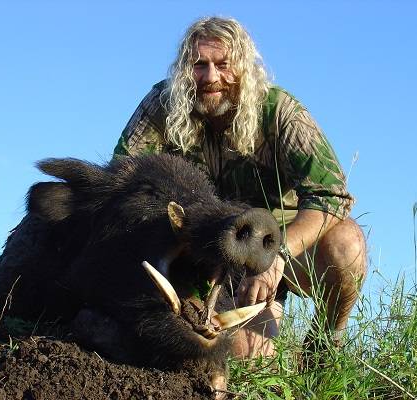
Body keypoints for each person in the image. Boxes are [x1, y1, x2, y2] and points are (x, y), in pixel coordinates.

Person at [114, 16, 367, 359]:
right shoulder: (162, 104)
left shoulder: (281, 112)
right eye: (199, 65)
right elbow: (122, 176)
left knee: (346, 244)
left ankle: (325, 344)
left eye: (223, 65)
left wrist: (276, 255)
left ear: (244, 68)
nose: (210, 77)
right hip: (205, 252)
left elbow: (331, 196)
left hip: (278, 245)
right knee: (249, 353)